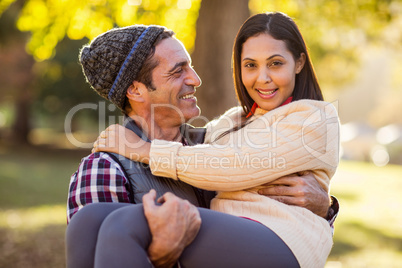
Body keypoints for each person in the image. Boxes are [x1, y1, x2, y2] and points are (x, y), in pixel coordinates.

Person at [66, 13, 339, 268]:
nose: (196, 80)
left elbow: (235, 165)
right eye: (178, 70)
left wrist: (325, 207)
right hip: (239, 238)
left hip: (277, 241)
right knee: (86, 222)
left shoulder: (314, 118)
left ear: (299, 63)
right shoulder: (105, 168)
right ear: (135, 90)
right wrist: (159, 255)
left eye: (276, 63)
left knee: (123, 225)